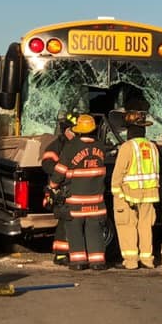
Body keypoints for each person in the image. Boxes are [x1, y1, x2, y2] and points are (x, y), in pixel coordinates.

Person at [48, 113, 108, 270]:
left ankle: (79, 262)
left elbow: (60, 171)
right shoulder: (101, 146)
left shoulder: (71, 146)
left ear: (78, 130)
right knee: (94, 230)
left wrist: (53, 185)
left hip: (76, 200)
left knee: (74, 230)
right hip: (96, 200)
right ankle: (97, 262)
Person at [110, 110, 160, 270]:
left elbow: (118, 172)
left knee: (127, 225)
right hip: (150, 194)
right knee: (145, 226)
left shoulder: (127, 147)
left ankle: (131, 261)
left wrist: (116, 191)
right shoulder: (152, 147)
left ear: (129, 130)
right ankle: (147, 260)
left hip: (128, 193)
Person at [40, 113, 77, 266]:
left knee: (75, 222)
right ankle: (61, 254)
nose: (77, 133)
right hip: (61, 189)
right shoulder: (57, 146)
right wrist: (63, 175)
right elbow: (47, 165)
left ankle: (74, 252)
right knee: (64, 222)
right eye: (74, 130)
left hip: (74, 188)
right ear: (67, 130)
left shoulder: (76, 144)